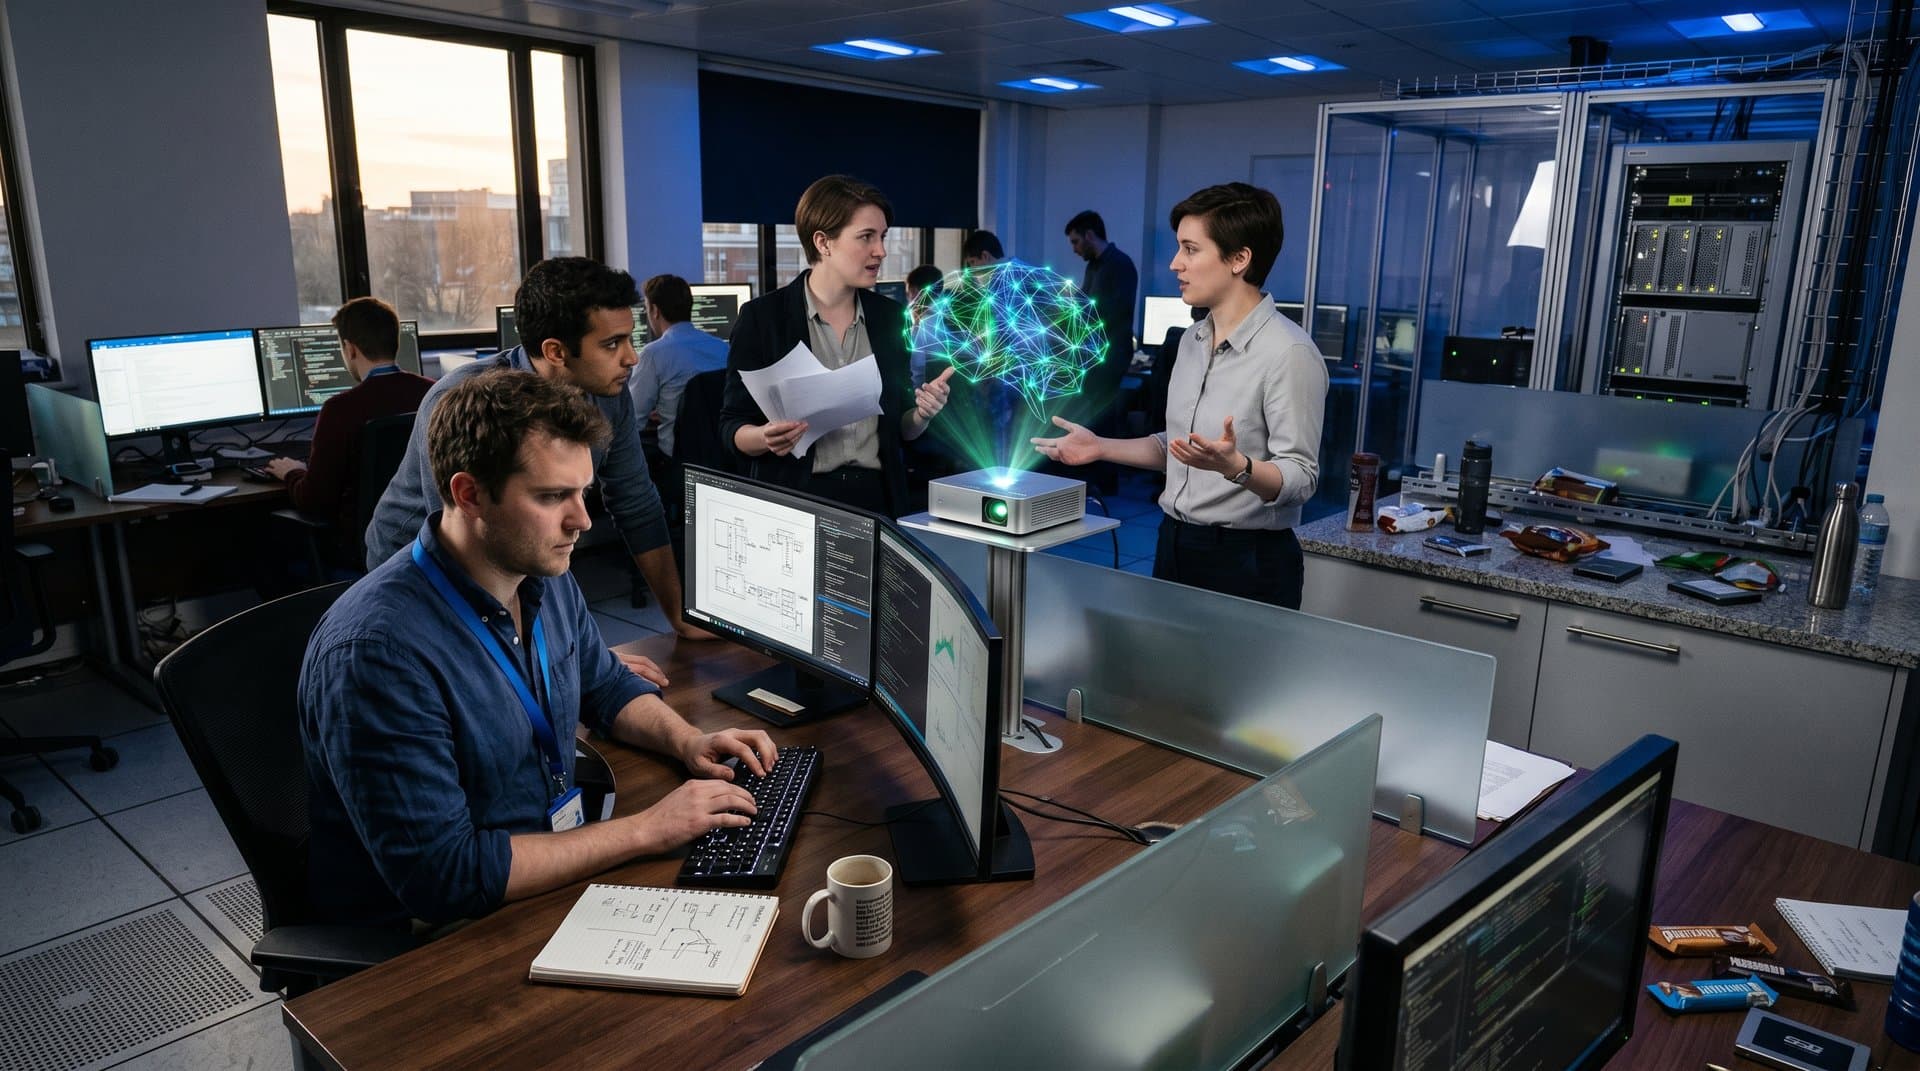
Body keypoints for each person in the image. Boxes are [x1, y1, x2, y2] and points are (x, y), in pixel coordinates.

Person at [300, 370, 777, 929]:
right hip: (436, 938)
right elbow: (447, 877)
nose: (582, 521)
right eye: (553, 497)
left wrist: (689, 740)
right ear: (468, 493)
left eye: (583, 492)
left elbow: (605, 684)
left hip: (542, 864)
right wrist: (648, 829)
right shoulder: (378, 655)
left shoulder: (542, 571)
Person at [365, 257, 709, 653]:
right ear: (556, 352)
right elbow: (466, 546)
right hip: (417, 567)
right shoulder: (468, 403)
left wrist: (679, 615)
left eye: (630, 338)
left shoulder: (607, 395)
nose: (631, 357)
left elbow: (637, 501)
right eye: (612, 344)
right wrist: (577, 662)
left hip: (510, 556)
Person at [1034, 183, 1328, 609]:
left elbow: (1301, 479)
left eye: (1191, 249)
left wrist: (1238, 468)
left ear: (1239, 259)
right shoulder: (1191, 340)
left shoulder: (1290, 353)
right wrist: (1098, 447)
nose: (1175, 264)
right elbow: (1176, 447)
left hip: (1246, 561)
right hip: (1173, 541)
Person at [721, 175, 955, 516]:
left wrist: (921, 414)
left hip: (878, 498)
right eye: (866, 237)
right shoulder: (763, 318)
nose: (881, 250)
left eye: (883, 237)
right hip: (797, 498)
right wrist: (764, 437)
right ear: (823, 242)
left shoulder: (889, 318)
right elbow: (731, 426)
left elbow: (901, 428)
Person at [265, 297, 433, 561]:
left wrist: (293, 473)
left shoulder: (340, 409)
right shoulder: (434, 394)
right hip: (425, 541)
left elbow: (314, 501)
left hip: (363, 548)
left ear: (350, 349)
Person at [629, 273, 729, 460]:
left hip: (678, 462)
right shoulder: (723, 347)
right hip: (722, 457)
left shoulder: (653, 354)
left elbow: (633, 420)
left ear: (655, 311)